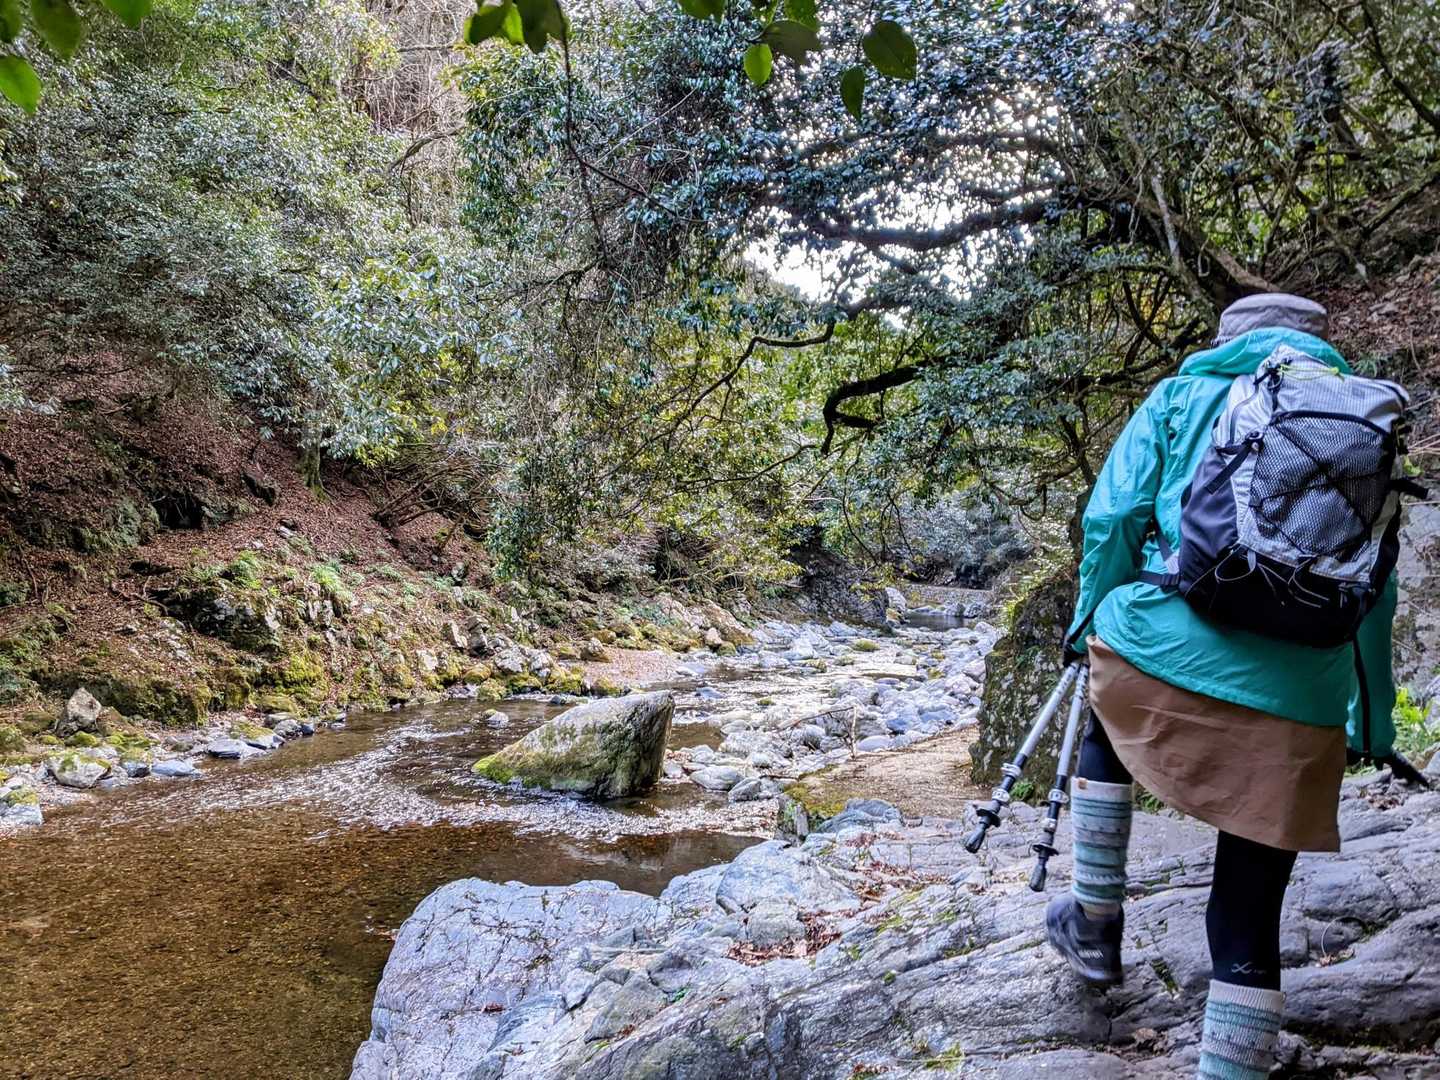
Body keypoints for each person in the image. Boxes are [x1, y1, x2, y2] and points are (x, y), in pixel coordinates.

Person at [1044, 294, 1400, 1080]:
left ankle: (1096, 917)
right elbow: (1376, 592)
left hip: (1159, 654)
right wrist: (1372, 726)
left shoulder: (1182, 395)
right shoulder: (1364, 431)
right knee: (1246, 919)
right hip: (1300, 703)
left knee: (1108, 707)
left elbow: (1112, 519)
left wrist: (1085, 624)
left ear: (1226, 339)